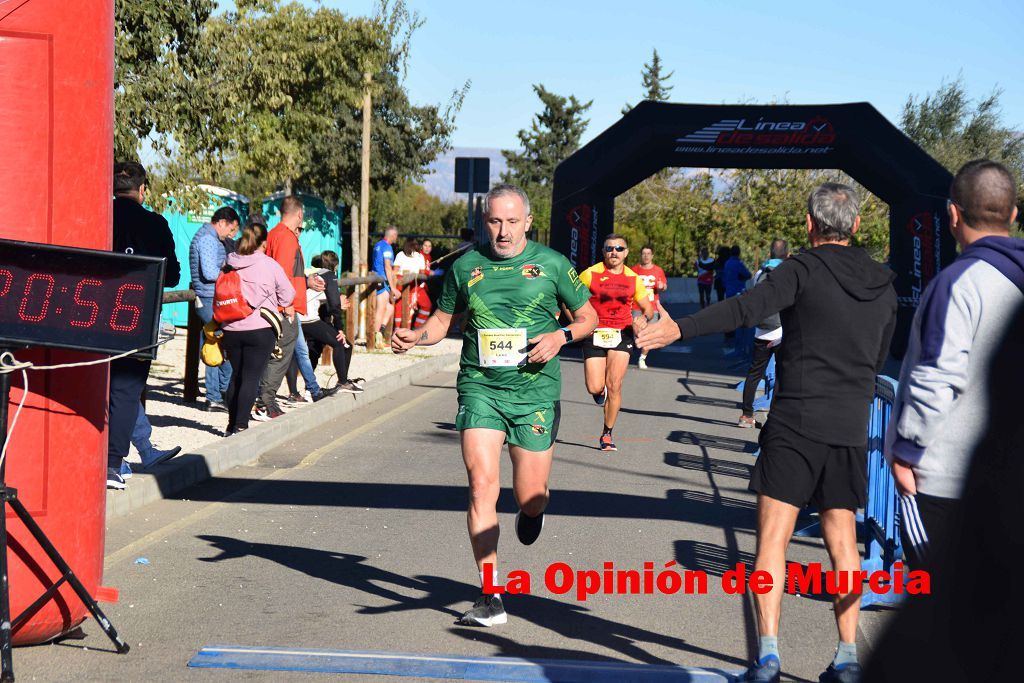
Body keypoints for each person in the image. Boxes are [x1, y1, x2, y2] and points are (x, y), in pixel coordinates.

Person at [637, 183, 897, 683]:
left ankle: (769, 656)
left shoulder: (800, 269)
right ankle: (847, 657)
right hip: (848, 426)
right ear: (857, 226)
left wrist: (678, 329)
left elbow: (744, 310)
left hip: (795, 423)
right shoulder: (883, 284)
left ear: (808, 224)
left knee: (772, 542)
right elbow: (879, 358)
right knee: (843, 543)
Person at [391, 184, 597, 627]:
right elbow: (443, 321)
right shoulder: (466, 265)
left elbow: (589, 317)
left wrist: (560, 336)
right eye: (494, 221)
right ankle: (490, 594)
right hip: (480, 387)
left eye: (511, 222)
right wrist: (416, 337)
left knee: (530, 496)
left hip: (535, 394)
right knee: (482, 486)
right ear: (485, 222)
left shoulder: (553, 265)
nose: (502, 231)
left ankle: (534, 509)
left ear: (527, 222)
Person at [884, 159, 1024, 573]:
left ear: (953, 214)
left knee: (947, 617)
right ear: (1013, 215)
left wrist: (906, 452)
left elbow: (937, 375)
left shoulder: (957, 283)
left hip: (946, 481)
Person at [107, 161, 181, 490]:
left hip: (84, 316)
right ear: (142, 190)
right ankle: (111, 463)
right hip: (136, 318)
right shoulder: (155, 224)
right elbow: (174, 275)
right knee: (125, 390)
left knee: (98, 386)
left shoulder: (98, 215)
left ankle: (124, 457)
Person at [255, 196, 329, 420]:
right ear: (299, 214)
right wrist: (286, 305)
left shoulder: (274, 234)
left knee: (284, 353)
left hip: (278, 304)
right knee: (281, 355)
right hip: (284, 307)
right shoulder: (286, 238)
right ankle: (264, 402)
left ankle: (267, 398)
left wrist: (306, 283)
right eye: (303, 215)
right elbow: (283, 274)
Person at [579, 235, 655, 451]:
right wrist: (579, 320)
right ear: (604, 251)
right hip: (594, 332)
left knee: (615, 385)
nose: (614, 252)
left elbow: (647, 308)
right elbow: (571, 296)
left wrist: (643, 318)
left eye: (619, 248)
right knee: (594, 386)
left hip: (622, 333)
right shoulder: (590, 274)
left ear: (626, 252)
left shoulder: (633, 278)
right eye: (610, 248)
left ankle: (607, 434)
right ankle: (598, 393)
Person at [221, 224, 295, 435]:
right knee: (251, 377)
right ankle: (240, 426)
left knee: (237, 375)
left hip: (231, 326)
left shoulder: (229, 261)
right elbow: (288, 296)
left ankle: (230, 424)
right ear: (264, 243)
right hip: (260, 327)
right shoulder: (269, 264)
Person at [189, 206, 241, 413]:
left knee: (212, 345)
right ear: (222, 223)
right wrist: (229, 268)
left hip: (209, 298)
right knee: (221, 345)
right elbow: (210, 273)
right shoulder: (208, 239)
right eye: (232, 229)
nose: (232, 235)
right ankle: (218, 394)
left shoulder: (208, 237)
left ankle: (216, 395)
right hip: (210, 298)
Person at [738, 239, 789, 428]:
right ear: (787, 255)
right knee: (782, 374)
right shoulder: (789, 272)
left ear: (770, 253)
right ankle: (776, 418)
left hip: (761, 331)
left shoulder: (761, 272)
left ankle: (746, 415)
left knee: (754, 373)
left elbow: (749, 291)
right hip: (782, 332)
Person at [632, 245, 667, 370]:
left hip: (652, 308)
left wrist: (662, 286)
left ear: (652, 256)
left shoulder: (658, 270)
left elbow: (664, 286)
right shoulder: (634, 270)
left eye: (648, 253)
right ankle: (636, 345)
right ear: (641, 255)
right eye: (644, 253)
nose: (646, 256)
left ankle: (642, 358)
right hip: (637, 306)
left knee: (649, 334)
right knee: (637, 334)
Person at [371, 226, 400, 347]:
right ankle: (375, 338)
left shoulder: (378, 245)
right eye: (396, 236)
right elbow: (388, 267)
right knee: (381, 309)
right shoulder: (387, 247)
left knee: (389, 308)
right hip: (382, 280)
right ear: (392, 235)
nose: (396, 239)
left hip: (378, 278)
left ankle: (380, 333)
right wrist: (393, 288)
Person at [392, 237, 427, 328]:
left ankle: (397, 328)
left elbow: (395, 270)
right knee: (409, 306)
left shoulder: (400, 254)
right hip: (411, 283)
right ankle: (409, 328)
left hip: (400, 281)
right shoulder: (420, 256)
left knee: (399, 306)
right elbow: (422, 273)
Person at [413, 239, 439, 328]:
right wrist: (430, 273)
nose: (427, 248)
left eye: (429, 246)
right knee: (424, 306)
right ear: (421, 246)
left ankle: (418, 327)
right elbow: (418, 270)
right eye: (425, 245)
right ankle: (417, 328)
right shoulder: (419, 256)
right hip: (415, 286)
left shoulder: (428, 257)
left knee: (427, 306)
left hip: (422, 286)